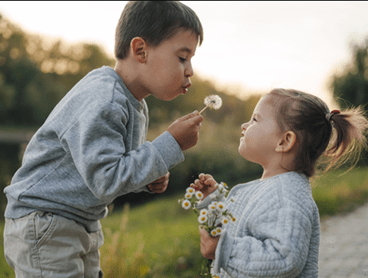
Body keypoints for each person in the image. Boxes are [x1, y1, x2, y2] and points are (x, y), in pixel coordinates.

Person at [3, 1, 204, 277]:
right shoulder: (105, 99)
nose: (190, 70)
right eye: (182, 57)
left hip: (77, 221)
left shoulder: (133, 103)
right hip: (45, 220)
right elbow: (106, 179)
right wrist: (170, 144)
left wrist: (148, 179)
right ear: (141, 50)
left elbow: (115, 168)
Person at [191, 88, 368, 277]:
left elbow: (283, 259)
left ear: (285, 141)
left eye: (255, 120)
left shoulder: (287, 196)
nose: (244, 125)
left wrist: (225, 249)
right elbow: (236, 227)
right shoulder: (271, 187)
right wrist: (213, 202)